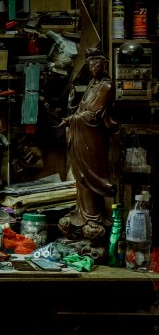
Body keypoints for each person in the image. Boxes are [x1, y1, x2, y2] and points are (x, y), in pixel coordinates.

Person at [59, 48, 119, 242]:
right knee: (81, 178)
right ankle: (82, 214)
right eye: (90, 65)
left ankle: (93, 218)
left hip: (93, 139)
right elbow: (81, 109)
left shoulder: (106, 86)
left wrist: (71, 120)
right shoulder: (93, 84)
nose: (93, 68)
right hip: (81, 137)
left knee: (89, 176)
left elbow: (93, 115)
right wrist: (71, 106)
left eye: (97, 65)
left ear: (104, 65)